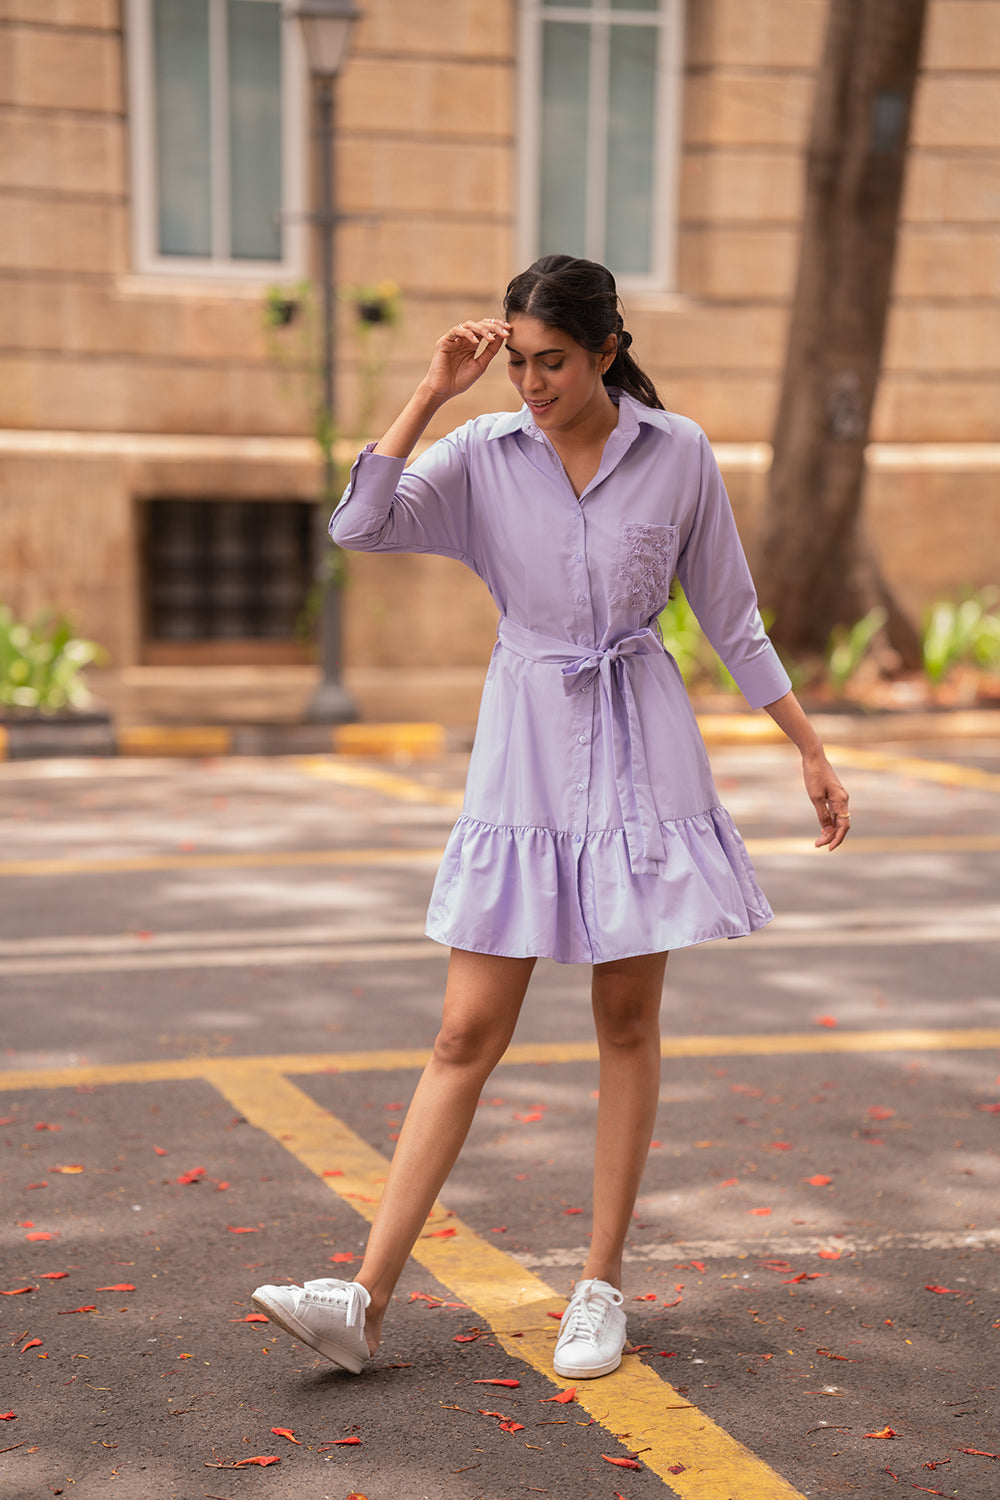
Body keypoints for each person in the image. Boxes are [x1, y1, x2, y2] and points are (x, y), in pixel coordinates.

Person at [252, 254, 850, 1381]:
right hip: (522, 756)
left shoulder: (677, 456)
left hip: (640, 760)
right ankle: (361, 1298)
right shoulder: (482, 456)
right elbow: (360, 526)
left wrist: (807, 748)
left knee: (624, 1023)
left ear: (606, 351)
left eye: (552, 364)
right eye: (517, 364)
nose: (529, 383)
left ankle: (599, 1285)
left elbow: (732, 615)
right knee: (462, 1032)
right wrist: (431, 391)